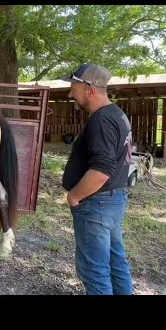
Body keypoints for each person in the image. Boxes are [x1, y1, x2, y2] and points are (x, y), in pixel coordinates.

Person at [61, 63, 133, 295]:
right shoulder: (117, 115)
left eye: (74, 87)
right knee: (116, 264)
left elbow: (101, 171)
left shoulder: (101, 121)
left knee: (94, 270)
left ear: (90, 89)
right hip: (113, 200)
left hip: (96, 204)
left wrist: (74, 196)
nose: (70, 93)